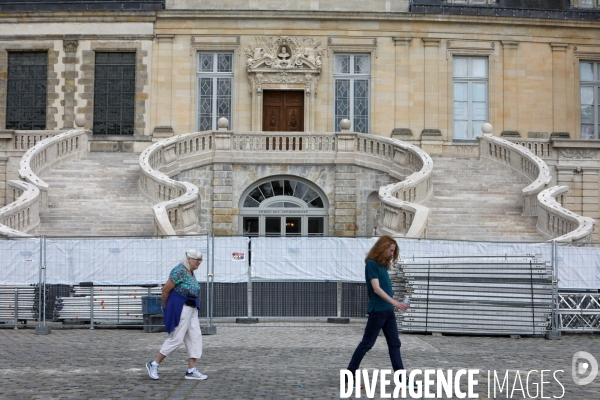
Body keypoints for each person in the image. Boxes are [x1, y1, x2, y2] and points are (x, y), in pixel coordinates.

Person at [346, 235, 409, 385]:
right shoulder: (371, 264)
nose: (392, 254)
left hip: (388, 311)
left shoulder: (382, 265)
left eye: (394, 251)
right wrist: (395, 302)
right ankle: (348, 376)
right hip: (378, 311)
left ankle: (402, 379)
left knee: (395, 344)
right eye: (391, 250)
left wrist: (393, 305)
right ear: (383, 248)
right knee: (366, 344)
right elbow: (376, 288)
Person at [146, 249, 207, 381]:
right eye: (197, 260)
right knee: (176, 338)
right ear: (189, 259)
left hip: (192, 308)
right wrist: (165, 306)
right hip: (182, 307)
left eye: (200, 260)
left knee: (195, 337)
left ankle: (191, 370)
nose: (199, 263)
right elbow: (166, 290)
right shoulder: (179, 270)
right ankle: (154, 364)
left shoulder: (190, 272)